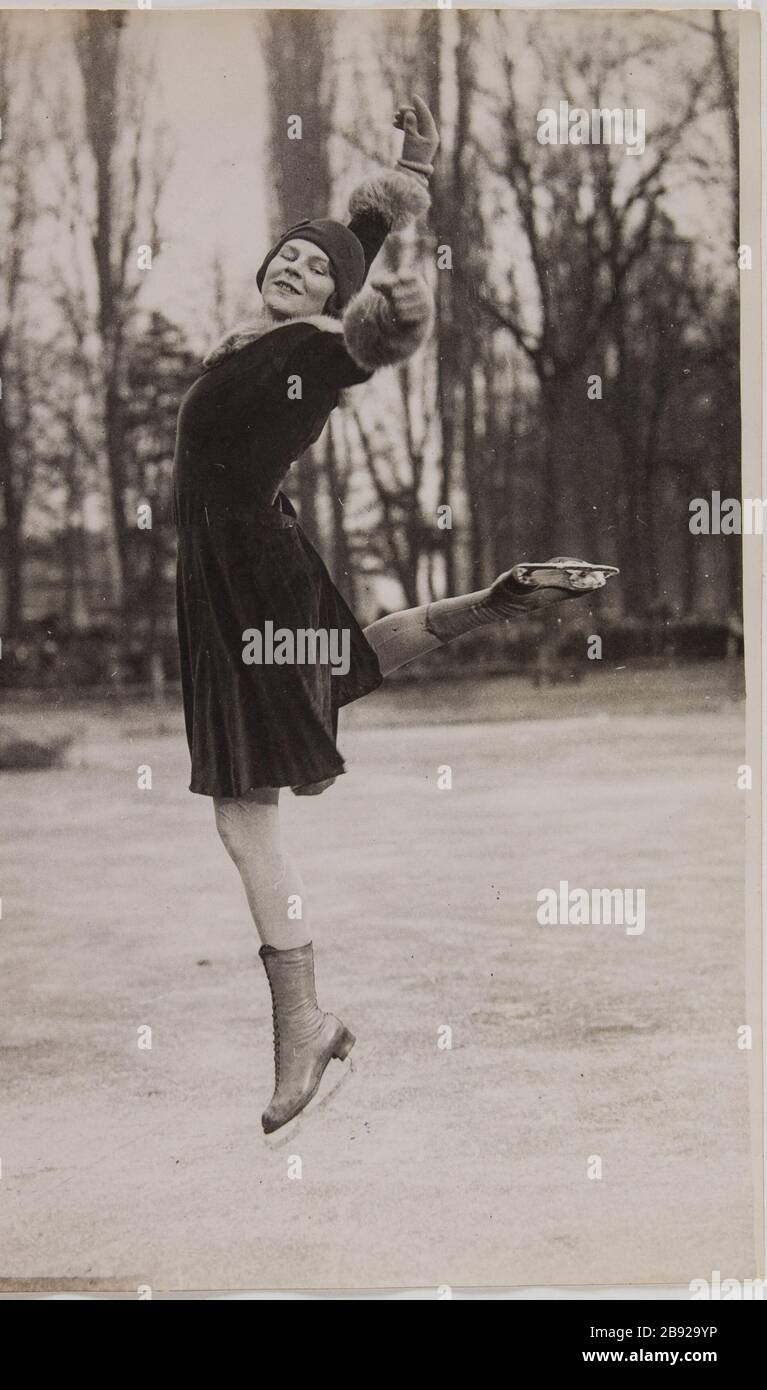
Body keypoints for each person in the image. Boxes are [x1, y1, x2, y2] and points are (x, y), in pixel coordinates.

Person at [170, 97, 618, 1134]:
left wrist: (382, 323)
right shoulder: (267, 332)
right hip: (245, 574)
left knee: (246, 820)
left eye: (312, 273)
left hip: (243, 578)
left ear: (334, 304)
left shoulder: (298, 357)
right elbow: (345, 250)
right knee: (339, 680)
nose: (293, 268)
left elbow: (346, 351)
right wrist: (398, 182)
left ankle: (305, 1024)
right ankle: (495, 598)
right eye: (286, 256)